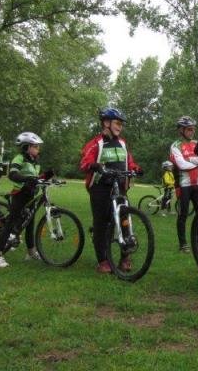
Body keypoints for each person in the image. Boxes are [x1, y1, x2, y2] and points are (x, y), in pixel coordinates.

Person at [80, 107, 142, 273]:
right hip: (100, 188)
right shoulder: (95, 143)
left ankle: (125, 257)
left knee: (125, 221)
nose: (120, 127)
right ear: (106, 123)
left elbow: (129, 161)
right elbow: (84, 163)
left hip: (120, 187)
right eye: (117, 123)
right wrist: (95, 165)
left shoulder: (122, 143)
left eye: (121, 124)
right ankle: (103, 260)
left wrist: (136, 168)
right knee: (102, 224)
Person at [0, 132, 53, 268]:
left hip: (30, 194)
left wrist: (46, 177)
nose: (38, 149)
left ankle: (31, 252)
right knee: (10, 223)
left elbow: (34, 178)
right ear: (27, 147)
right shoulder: (19, 158)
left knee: (30, 223)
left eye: (37, 147)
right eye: (35, 146)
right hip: (19, 194)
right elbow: (12, 174)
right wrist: (26, 179)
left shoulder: (34, 161)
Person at [170, 116, 198, 252]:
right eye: (189, 129)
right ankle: (183, 243)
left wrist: (192, 159)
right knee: (183, 214)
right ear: (181, 130)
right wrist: (196, 161)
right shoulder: (175, 146)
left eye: (193, 129)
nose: (192, 132)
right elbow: (181, 164)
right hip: (183, 185)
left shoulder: (197, 144)